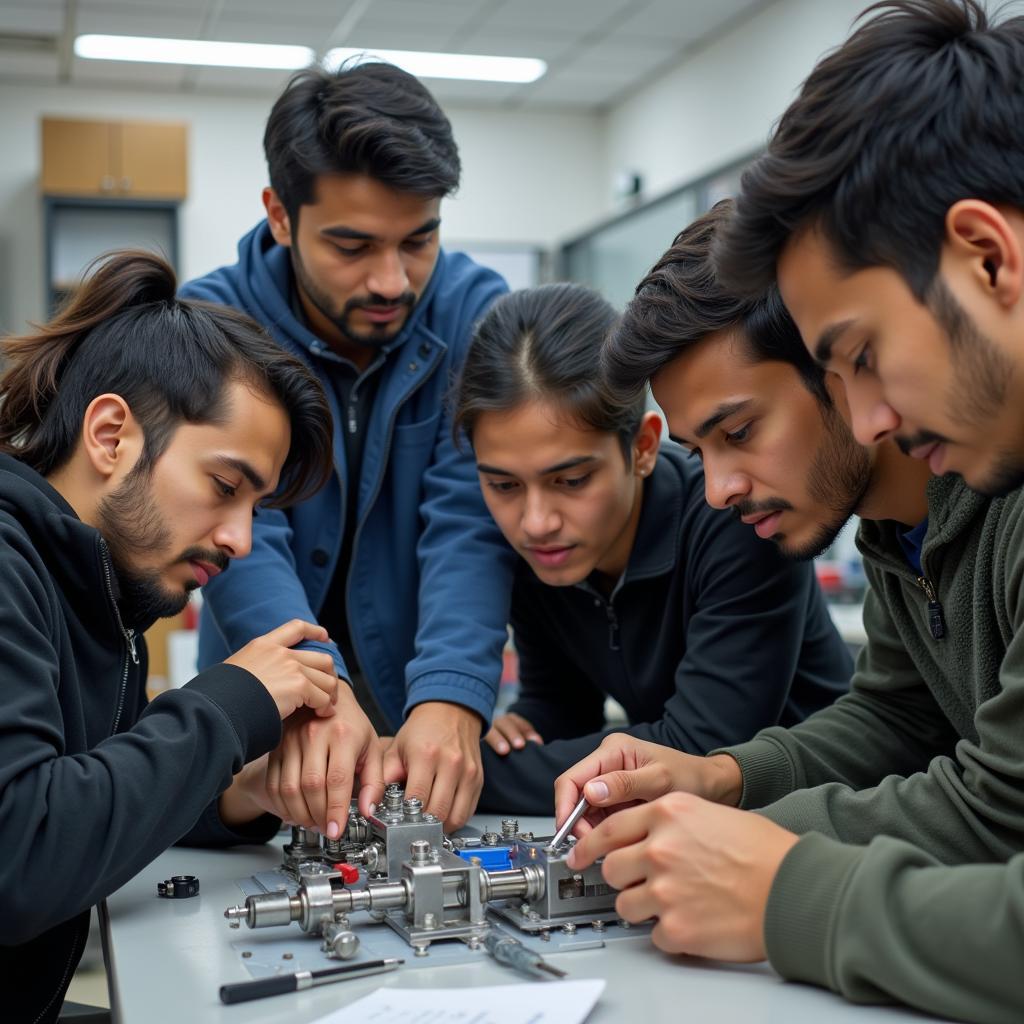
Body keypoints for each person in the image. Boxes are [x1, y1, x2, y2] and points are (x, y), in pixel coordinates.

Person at [556, 183, 1024, 1021]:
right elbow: (898, 719)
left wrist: (772, 875)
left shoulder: (998, 499)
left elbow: (999, 809)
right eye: (701, 450)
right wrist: (721, 780)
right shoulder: (894, 527)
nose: (719, 490)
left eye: (739, 432)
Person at [0, 250, 385, 1024]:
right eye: (223, 487)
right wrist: (231, 702)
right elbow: (21, 856)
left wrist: (241, 792)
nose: (240, 540)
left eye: (257, 508)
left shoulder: (99, 593)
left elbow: (98, 785)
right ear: (111, 436)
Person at [181, 60, 514, 829]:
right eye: (353, 246)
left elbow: (469, 518)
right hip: (276, 703)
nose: (393, 281)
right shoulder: (211, 325)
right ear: (281, 214)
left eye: (419, 240)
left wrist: (454, 695)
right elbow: (243, 528)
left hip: (418, 697)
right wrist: (310, 690)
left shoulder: (477, 313)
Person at [450, 283, 851, 814]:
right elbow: (562, 709)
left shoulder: (733, 514)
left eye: (571, 480)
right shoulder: (547, 552)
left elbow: (696, 748)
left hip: (821, 808)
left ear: (641, 448)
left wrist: (470, 770)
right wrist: (520, 737)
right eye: (503, 486)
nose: (536, 522)